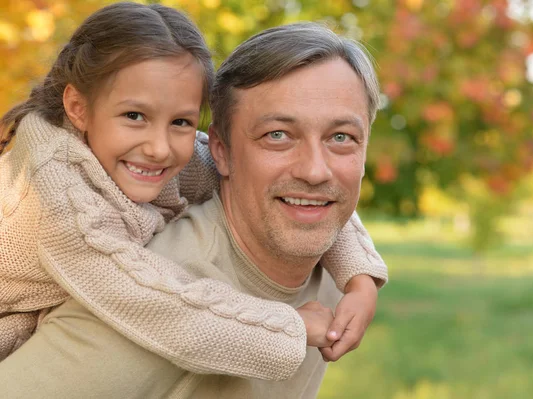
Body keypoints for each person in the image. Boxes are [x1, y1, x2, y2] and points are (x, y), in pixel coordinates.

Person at [0, 2, 388, 382]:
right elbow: (145, 302)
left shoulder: (173, 159)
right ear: (77, 107)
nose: (159, 147)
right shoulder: (52, 189)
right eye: (134, 116)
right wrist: (288, 329)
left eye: (181, 121)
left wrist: (360, 276)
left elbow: (307, 190)